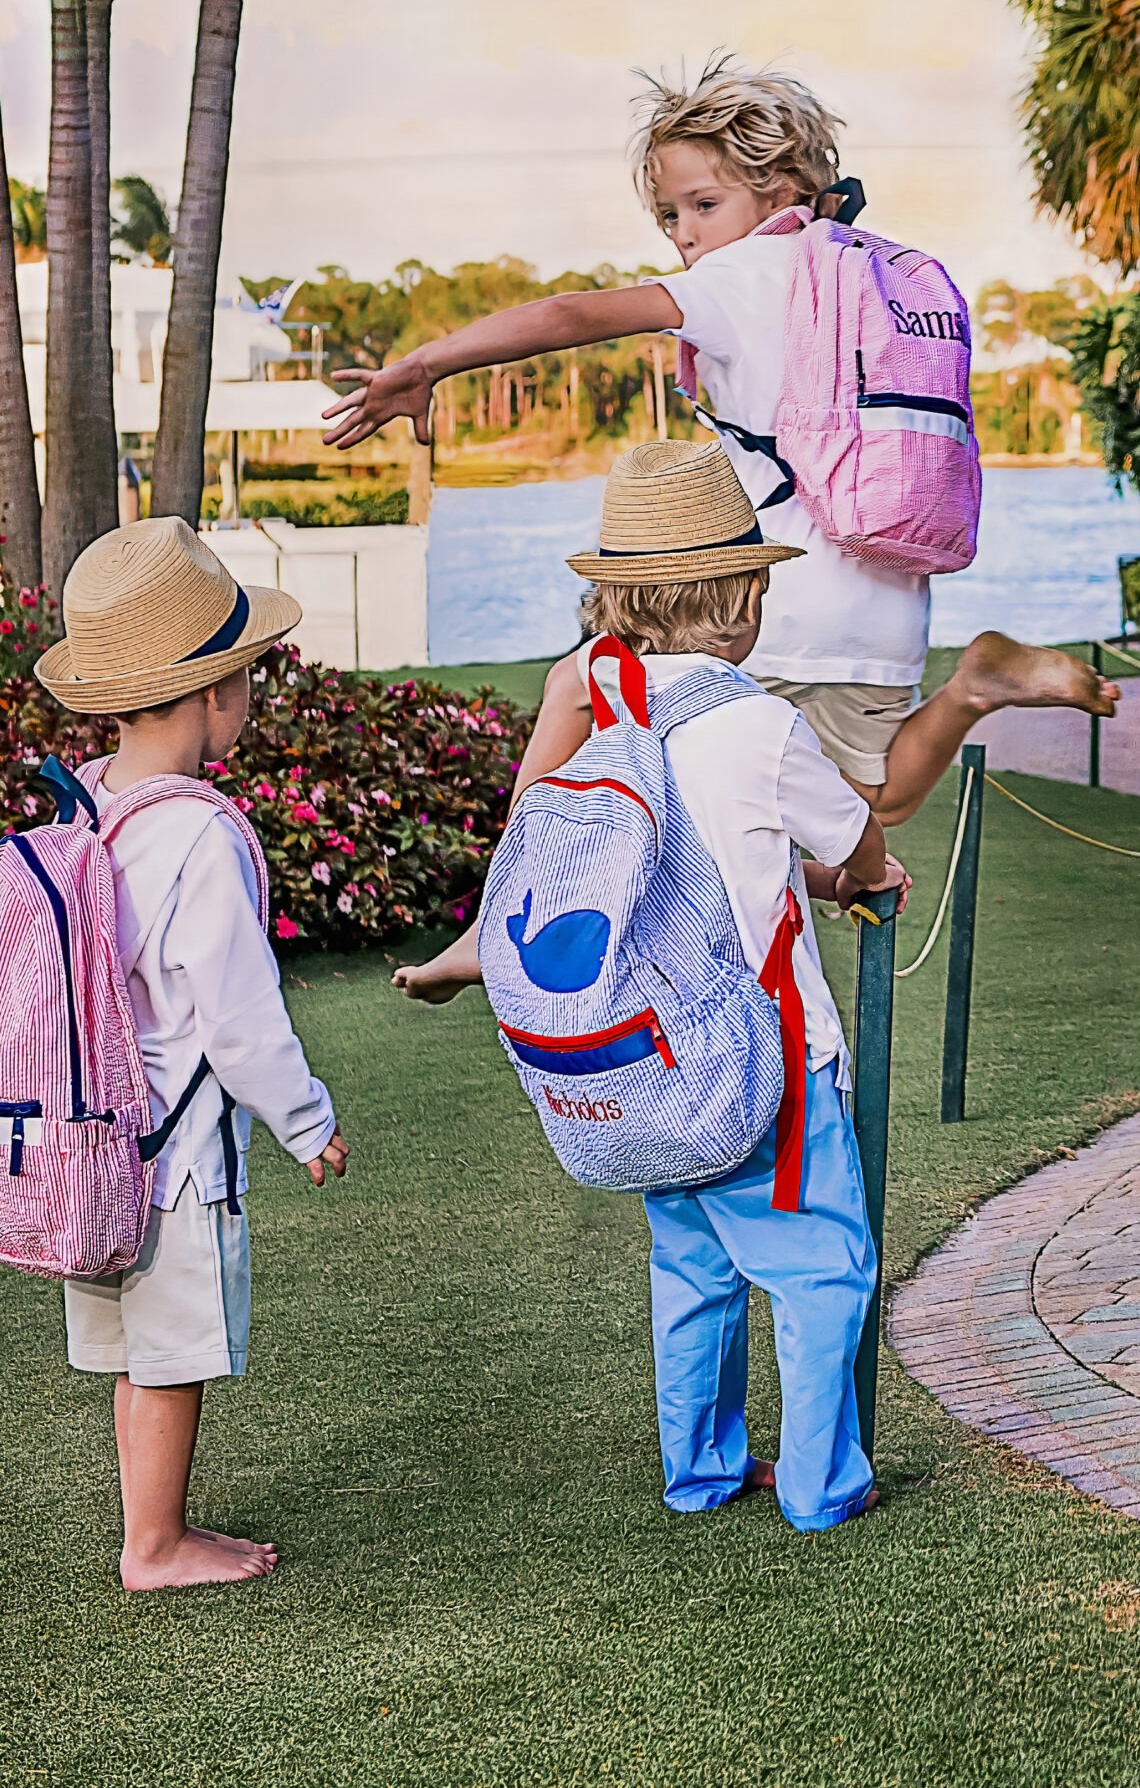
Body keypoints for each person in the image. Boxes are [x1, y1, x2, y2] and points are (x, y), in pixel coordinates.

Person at [320, 58, 1118, 822]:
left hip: (768, 617)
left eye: (704, 205)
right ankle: (972, 684)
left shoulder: (742, 276)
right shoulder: (867, 272)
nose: (684, 235)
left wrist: (426, 363)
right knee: (879, 802)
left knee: (616, 733)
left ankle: (523, 887)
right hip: (886, 609)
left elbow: (567, 315)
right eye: (671, 215)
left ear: (783, 191)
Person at [404, 442, 899, 1529]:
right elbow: (855, 833)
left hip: (650, 1061)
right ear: (743, 600)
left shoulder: (603, 705)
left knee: (693, 1271)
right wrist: (863, 875)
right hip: (765, 1065)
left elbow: (538, 843)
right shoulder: (756, 725)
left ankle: (702, 1470)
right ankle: (824, 1487)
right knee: (821, 1269)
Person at [34, 520, 348, 1589]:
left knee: (135, 1356)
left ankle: (148, 1526)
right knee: (172, 1360)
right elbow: (239, 1017)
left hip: (89, 1145)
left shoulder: (89, 805)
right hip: (173, 1161)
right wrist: (307, 1122)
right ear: (216, 694)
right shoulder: (201, 837)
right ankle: (156, 1544)